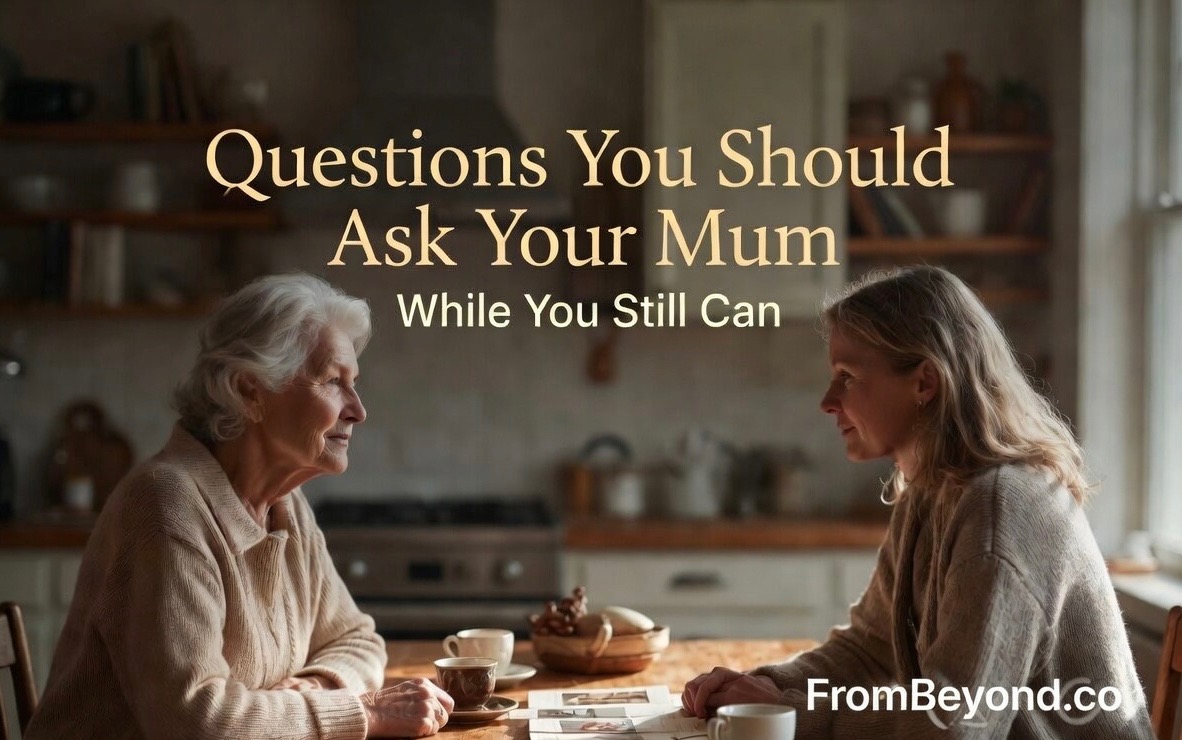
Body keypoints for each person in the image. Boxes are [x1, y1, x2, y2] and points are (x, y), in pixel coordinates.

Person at [682, 266, 1154, 738]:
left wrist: (794, 715)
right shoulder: (932, 488)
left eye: (847, 377)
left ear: (924, 382)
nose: (828, 401)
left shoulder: (1001, 510)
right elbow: (870, 649)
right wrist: (763, 686)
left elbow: (956, 726)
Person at [25, 274, 454, 739]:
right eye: (333, 382)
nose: (357, 410)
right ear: (250, 392)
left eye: (354, 384)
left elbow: (357, 640)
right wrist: (363, 712)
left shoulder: (284, 504)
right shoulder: (167, 507)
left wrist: (313, 690)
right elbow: (197, 721)